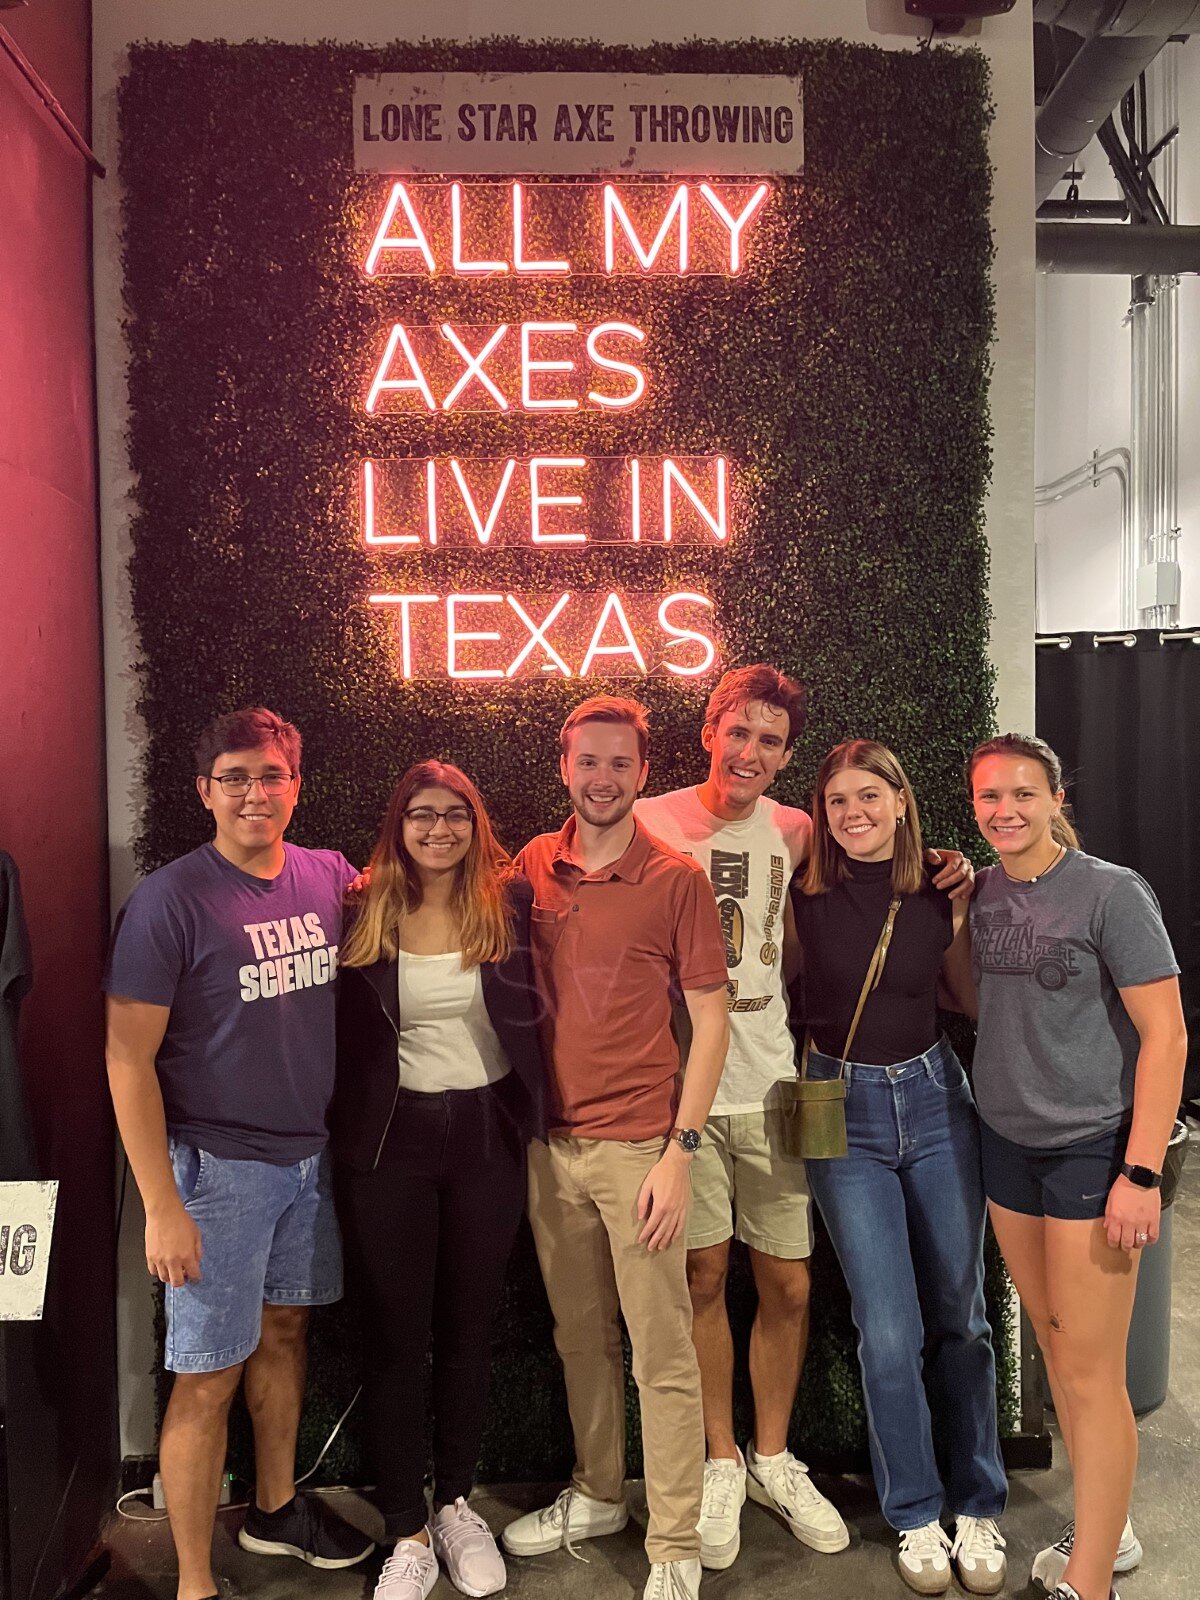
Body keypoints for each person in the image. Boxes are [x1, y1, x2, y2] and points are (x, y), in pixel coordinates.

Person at [104, 708, 374, 1600]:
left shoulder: (328, 876)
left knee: (285, 1334)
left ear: (296, 784)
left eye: (270, 776)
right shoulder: (168, 901)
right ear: (204, 792)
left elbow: (423, 888)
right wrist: (162, 1205)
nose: (255, 793)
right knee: (207, 1376)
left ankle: (272, 1510)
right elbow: (126, 1058)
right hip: (216, 1173)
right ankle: (192, 1583)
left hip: (308, 1162)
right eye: (235, 778)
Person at [501, 695, 730, 1600]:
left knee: (662, 1351)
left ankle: (673, 1545)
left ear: (643, 772)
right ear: (566, 767)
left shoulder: (676, 878)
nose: (603, 778)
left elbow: (709, 1019)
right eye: (587, 762)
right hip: (549, 1151)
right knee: (579, 1338)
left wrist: (680, 1150)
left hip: (643, 1150)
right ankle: (598, 1492)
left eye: (620, 764)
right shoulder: (531, 866)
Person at [634, 665, 848, 1568]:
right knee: (704, 1280)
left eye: (769, 740)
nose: (750, 751)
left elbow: (832, 916)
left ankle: (772, 1455)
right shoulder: (652, 819)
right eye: (738, 732)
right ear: (708, 733)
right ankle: (720, 1458)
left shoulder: (797, 829)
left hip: (775, 1079)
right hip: (681, 1089)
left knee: (791, 1283)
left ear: (786, 754)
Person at [966, 733, 1186, 1600]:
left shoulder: (1111, 892)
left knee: (1091, 1370)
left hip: (1093, 1150)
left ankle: (1089, 1582)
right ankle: (1111, 1524)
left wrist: (1140, 1174)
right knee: (1059, 1346)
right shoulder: (980, 893)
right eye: (989, 797)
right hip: (1004, 1145)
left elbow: (1166, 1038)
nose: (1006, 812)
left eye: (1023, 794)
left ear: (1058, 798)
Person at [789, 739, 1008, 1598]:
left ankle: (979, 1501)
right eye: (838, 800)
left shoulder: (941, 889)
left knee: (964, 1317)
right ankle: (915, 1511)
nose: (854, 813)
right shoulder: (805, 898)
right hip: (836, 1106)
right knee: (888, 1326)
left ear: (902, 801)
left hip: (933, 1099)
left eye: (869, 796)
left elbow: (963, 997)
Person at [330, 760, 545, 1600]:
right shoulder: (360, 908)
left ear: (476, 823)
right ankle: (406, 1531)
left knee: (466, 1332)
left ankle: (455, 1503)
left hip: (487, 1139)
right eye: (423, 814)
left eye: (456, 814)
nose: (439, 829)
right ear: (399, 825)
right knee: (393, 1339)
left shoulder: (509, 902)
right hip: (389, 1146)